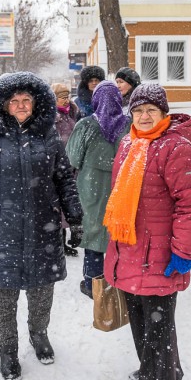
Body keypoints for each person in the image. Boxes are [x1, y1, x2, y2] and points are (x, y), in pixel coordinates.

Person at [0, 72, 83, 380]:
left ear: (36, 102)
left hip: (43, 226)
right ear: (4, 105)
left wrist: (75, 217)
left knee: (41, 291)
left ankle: (39, 335)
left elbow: (64, 177)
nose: (21, 105)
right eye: (15, 101)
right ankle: (8, 350)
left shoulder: (48, 133)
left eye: (27, 100)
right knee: (3, 294)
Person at [102, 84, 191, 380]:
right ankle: (165, 373)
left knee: (156, 328)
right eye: (138, 110)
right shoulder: (129, 143)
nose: (144, 116)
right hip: (129, 250)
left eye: (151, 110)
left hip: (158, 256)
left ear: (164, 113)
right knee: (143, 323)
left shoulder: (175, 147)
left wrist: (184, 251)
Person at [66, 81, 129, 299]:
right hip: (122, 186)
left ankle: (92, 282)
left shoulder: (85, 125)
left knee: (93, 233)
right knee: (119, 234)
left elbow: (72, 158)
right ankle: (118, 279)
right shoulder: (129, 125)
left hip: (91, 187)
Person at [51, 82, 80, 257]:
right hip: (57, 166)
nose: (66, 99)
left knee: (69, 204)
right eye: (62, 96)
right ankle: (58, 243)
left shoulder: (73, 113)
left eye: (67, 95)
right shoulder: (51, 117)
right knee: (57, 207)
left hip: (72, 165)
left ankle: (65, 241)